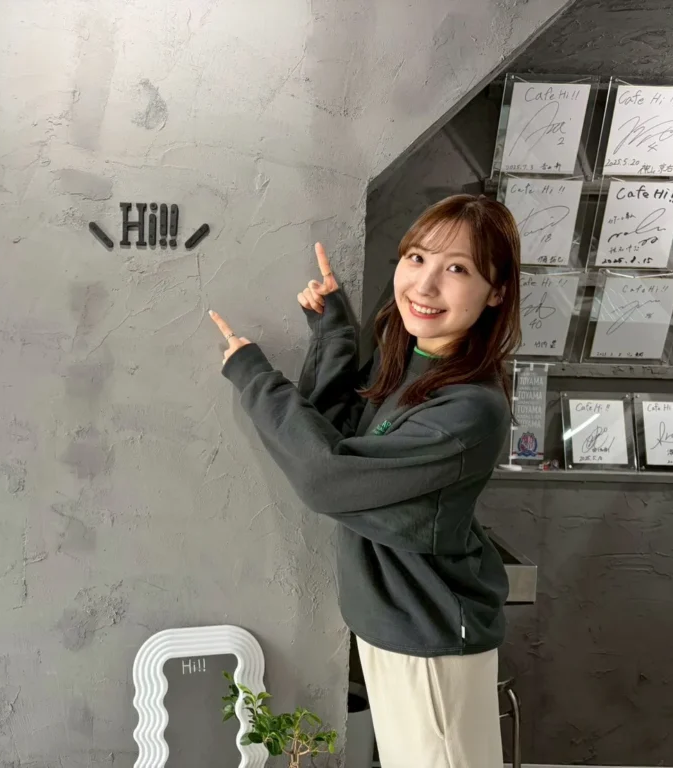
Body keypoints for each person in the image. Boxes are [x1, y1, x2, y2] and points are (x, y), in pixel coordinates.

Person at [208, 194, 522, 768]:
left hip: (431, 636)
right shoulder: (409, 363)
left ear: (496, 291)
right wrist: (332, 332)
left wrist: (255, 376)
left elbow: (327, 477)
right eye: (417, 258)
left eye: (457, 269)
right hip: (393, 624)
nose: (425, 285)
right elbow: (337, 432)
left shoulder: (471, 407)